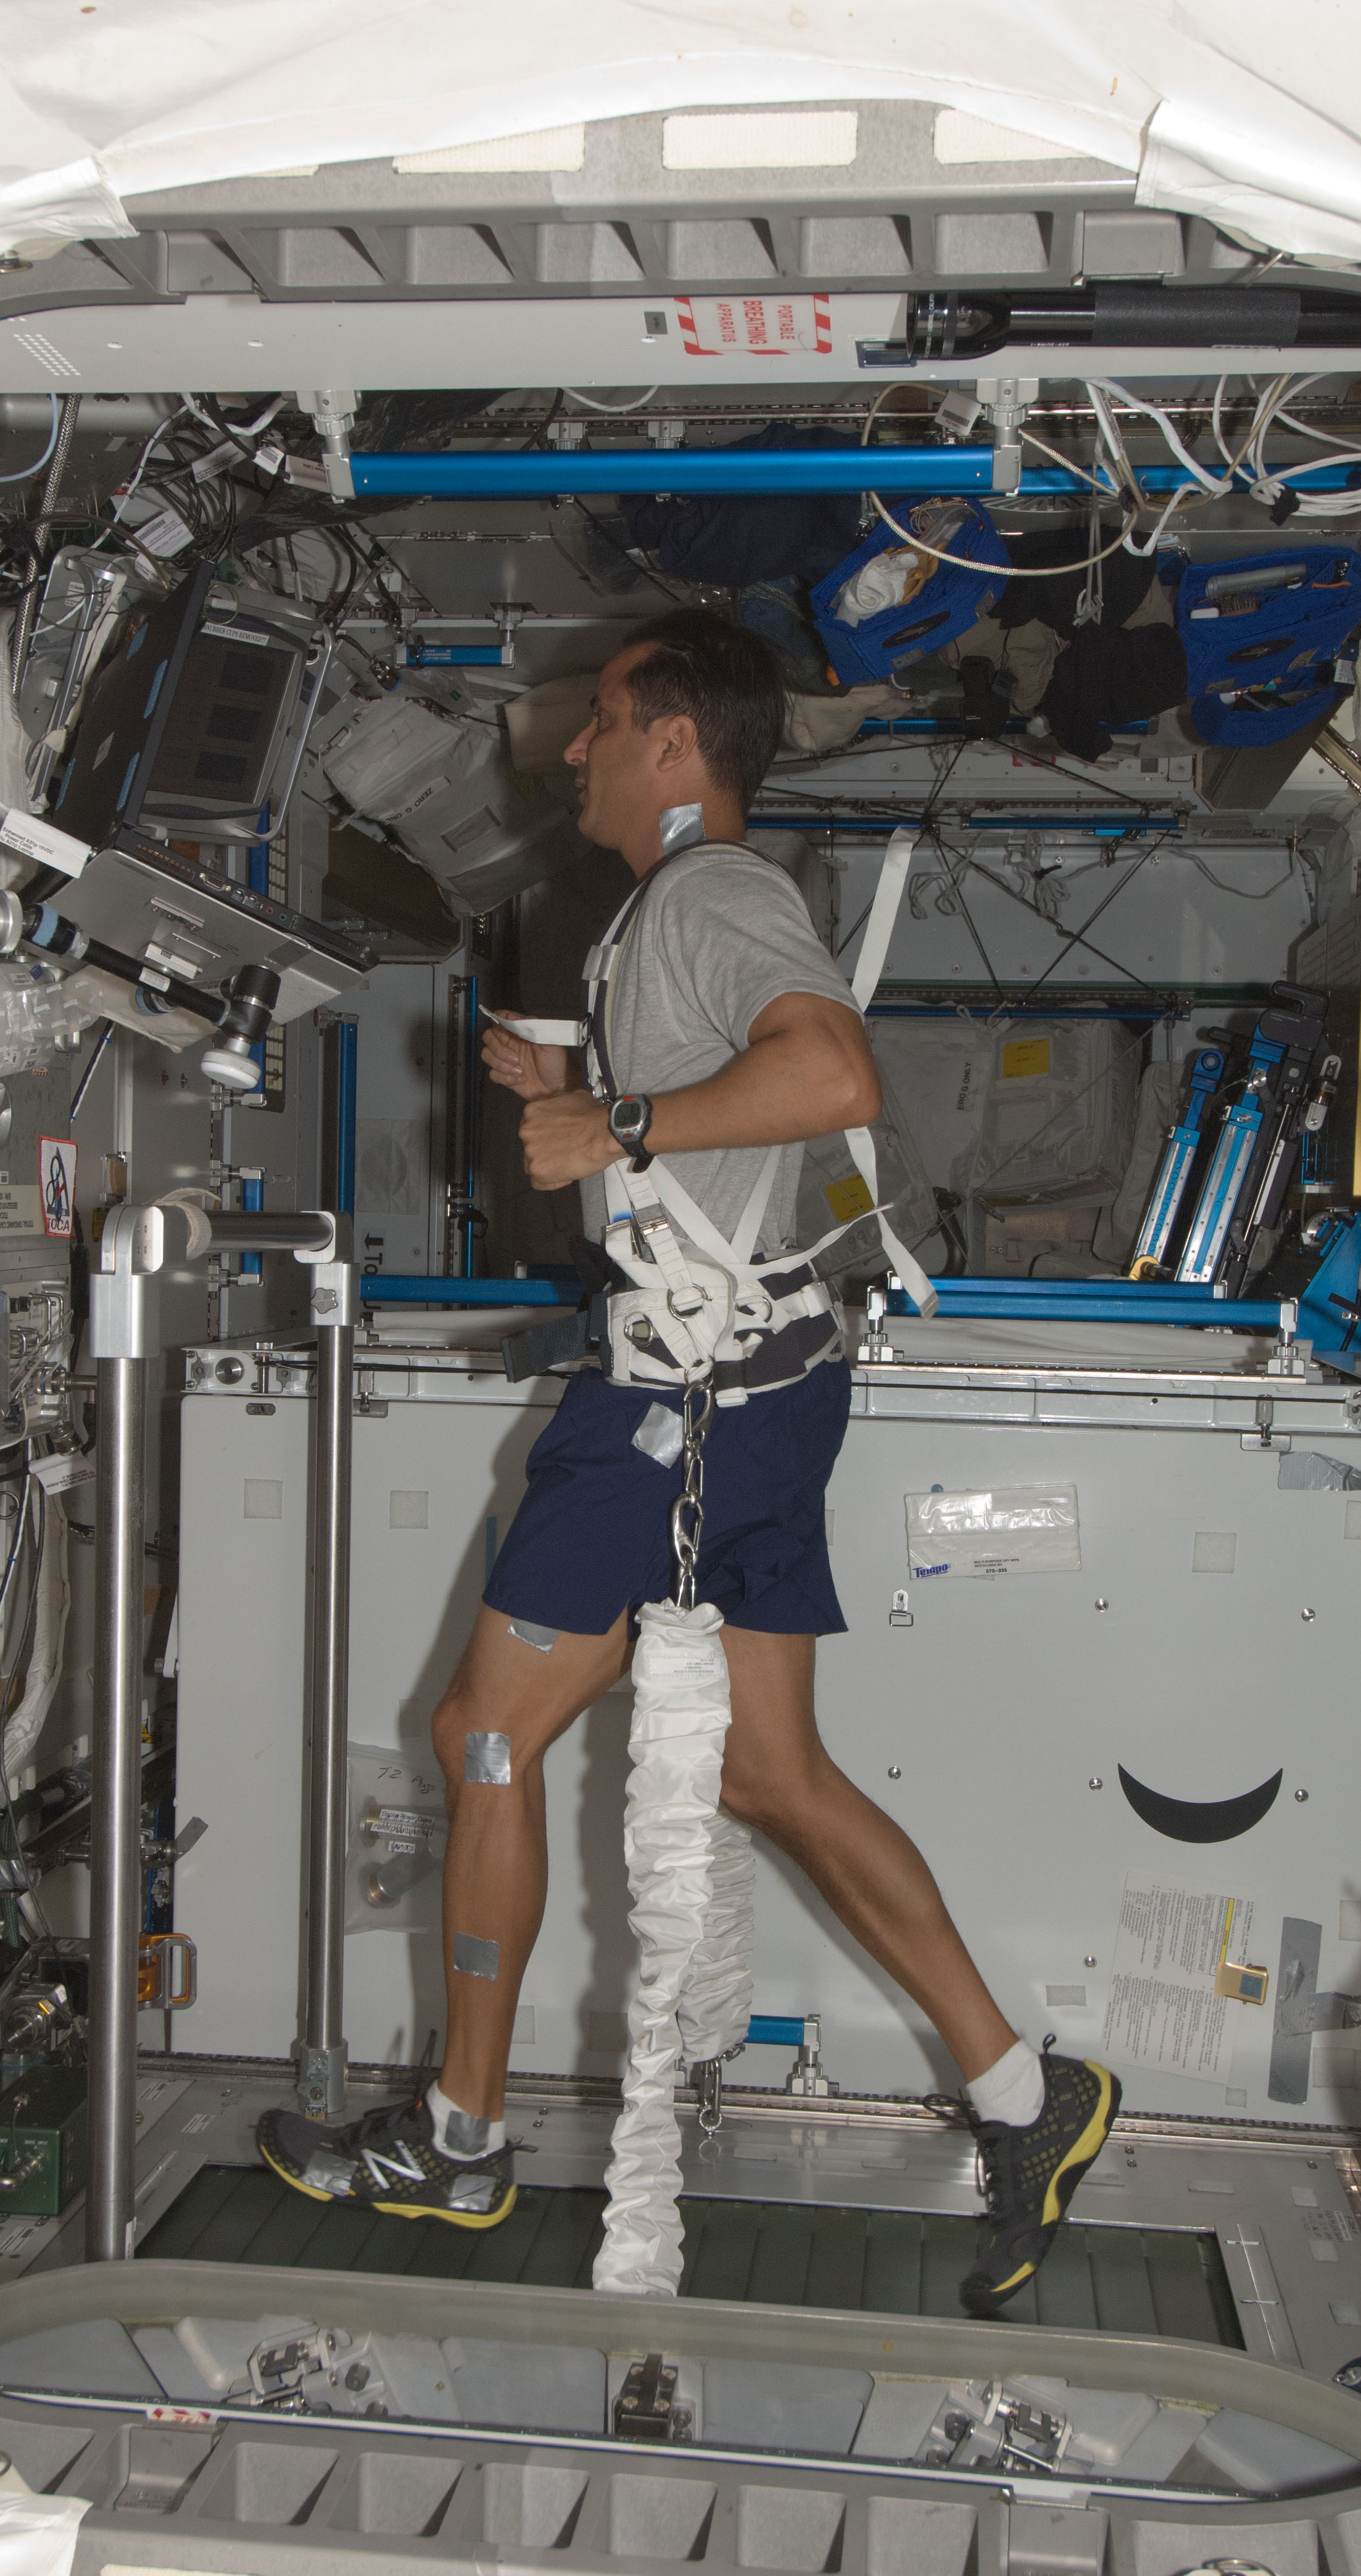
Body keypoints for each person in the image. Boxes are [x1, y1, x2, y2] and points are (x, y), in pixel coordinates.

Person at [259, 610, 1119, 2314]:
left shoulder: (710, 893)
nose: (570, 750)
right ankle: (1031, 2095)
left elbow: (828, 1067)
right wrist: (579, 1070)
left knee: (482, 1735)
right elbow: (741, 1075)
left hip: (683, 1407)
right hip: (757, 1387)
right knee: (768, 1774)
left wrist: (622, 1124)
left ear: (672, 746)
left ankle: (462, 2134)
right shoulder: (674, 912)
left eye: (599, 724)